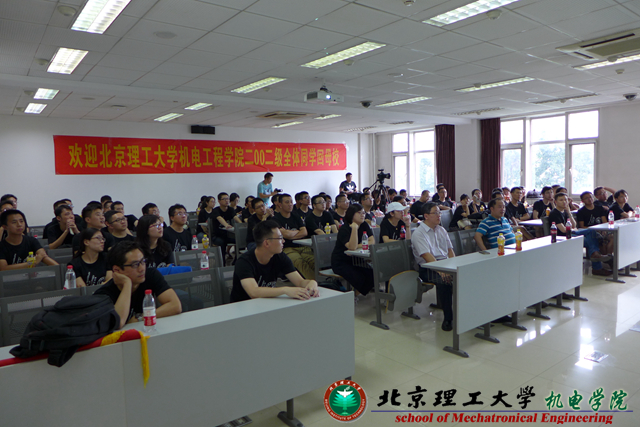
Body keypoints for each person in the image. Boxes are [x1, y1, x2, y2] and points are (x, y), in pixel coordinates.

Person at [94, 241, 181, 329]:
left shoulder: (150, 275)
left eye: (143, 261)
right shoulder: (104, 294)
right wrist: (127, 284)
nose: (142, 268)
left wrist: (140, 318)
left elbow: (175, 306)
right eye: (135, 265)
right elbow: (118, 322)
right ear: (117, 270)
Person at [230, 220, 319, 303]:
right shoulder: (244, 262)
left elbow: (299, 282)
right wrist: (285, 290)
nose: (283, 241)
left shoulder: (280, 256)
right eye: (280, 238)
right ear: (267, 243)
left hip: (266, 304)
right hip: (243, 307)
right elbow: (253, 292)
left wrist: (311, 282)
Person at [411, 202, 455, 331]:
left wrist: (454, 265)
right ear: (426, 216)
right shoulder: (419, 233)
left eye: (439, 213)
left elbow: (450, 250)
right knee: (445, 280)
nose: (439, 215)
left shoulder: (441, 229)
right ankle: (448, 318)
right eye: (435, 213)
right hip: (428, 267)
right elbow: (426, 255)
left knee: (466, 274)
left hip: (445, 263)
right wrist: (442, 271)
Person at [549, 193, 610, 276]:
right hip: (564, 236)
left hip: (571, 232)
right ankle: (597, 266)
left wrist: (569, 212)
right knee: (590, 238)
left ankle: (595, 256)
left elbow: (574, 225)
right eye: (561, 200)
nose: (564, 202)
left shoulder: (564, 211)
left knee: (591, 232)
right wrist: (573, 229)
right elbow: (563, 230)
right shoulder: (554, 213)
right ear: (555, 202)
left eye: (566, 200)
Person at [331, 203, 375, 297]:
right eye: (359, 213)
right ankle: (351, 296)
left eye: (363, 213)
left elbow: (372, 241)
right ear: (351, 214)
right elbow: (352, 247)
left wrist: (358, 245)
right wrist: (354, 228)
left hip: (356, 260)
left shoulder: (364, 224)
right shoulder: (344, 229)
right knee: (359, 277)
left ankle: (354, 295)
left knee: (372, 274)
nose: (362, 215)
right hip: (341, 262)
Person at [273, 193, 314, 280]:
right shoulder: (275, 219)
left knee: (313, 260)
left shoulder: (296, 216)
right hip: (288, 248)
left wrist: (290, 234)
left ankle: (324, 281)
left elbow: (304, 232)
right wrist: (297, 231)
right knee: (300, 262)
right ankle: (315, 283)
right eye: (287, 202)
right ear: (280, 205)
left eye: (291, 202)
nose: (290, 204)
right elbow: (285, 235)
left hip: (302, 246)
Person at [211, 192, 237, 258]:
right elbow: (219, 218)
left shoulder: (231, 209)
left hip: (228, 235)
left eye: (228, 199)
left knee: (239, 240)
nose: (227, 200)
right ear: (219, 201)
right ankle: (222, 261)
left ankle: (236, 259)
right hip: (217, 235)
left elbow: (235, 217)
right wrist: (226, 225)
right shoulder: (216, 210)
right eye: (224, 199)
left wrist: (242, 224)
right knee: (222, 242)